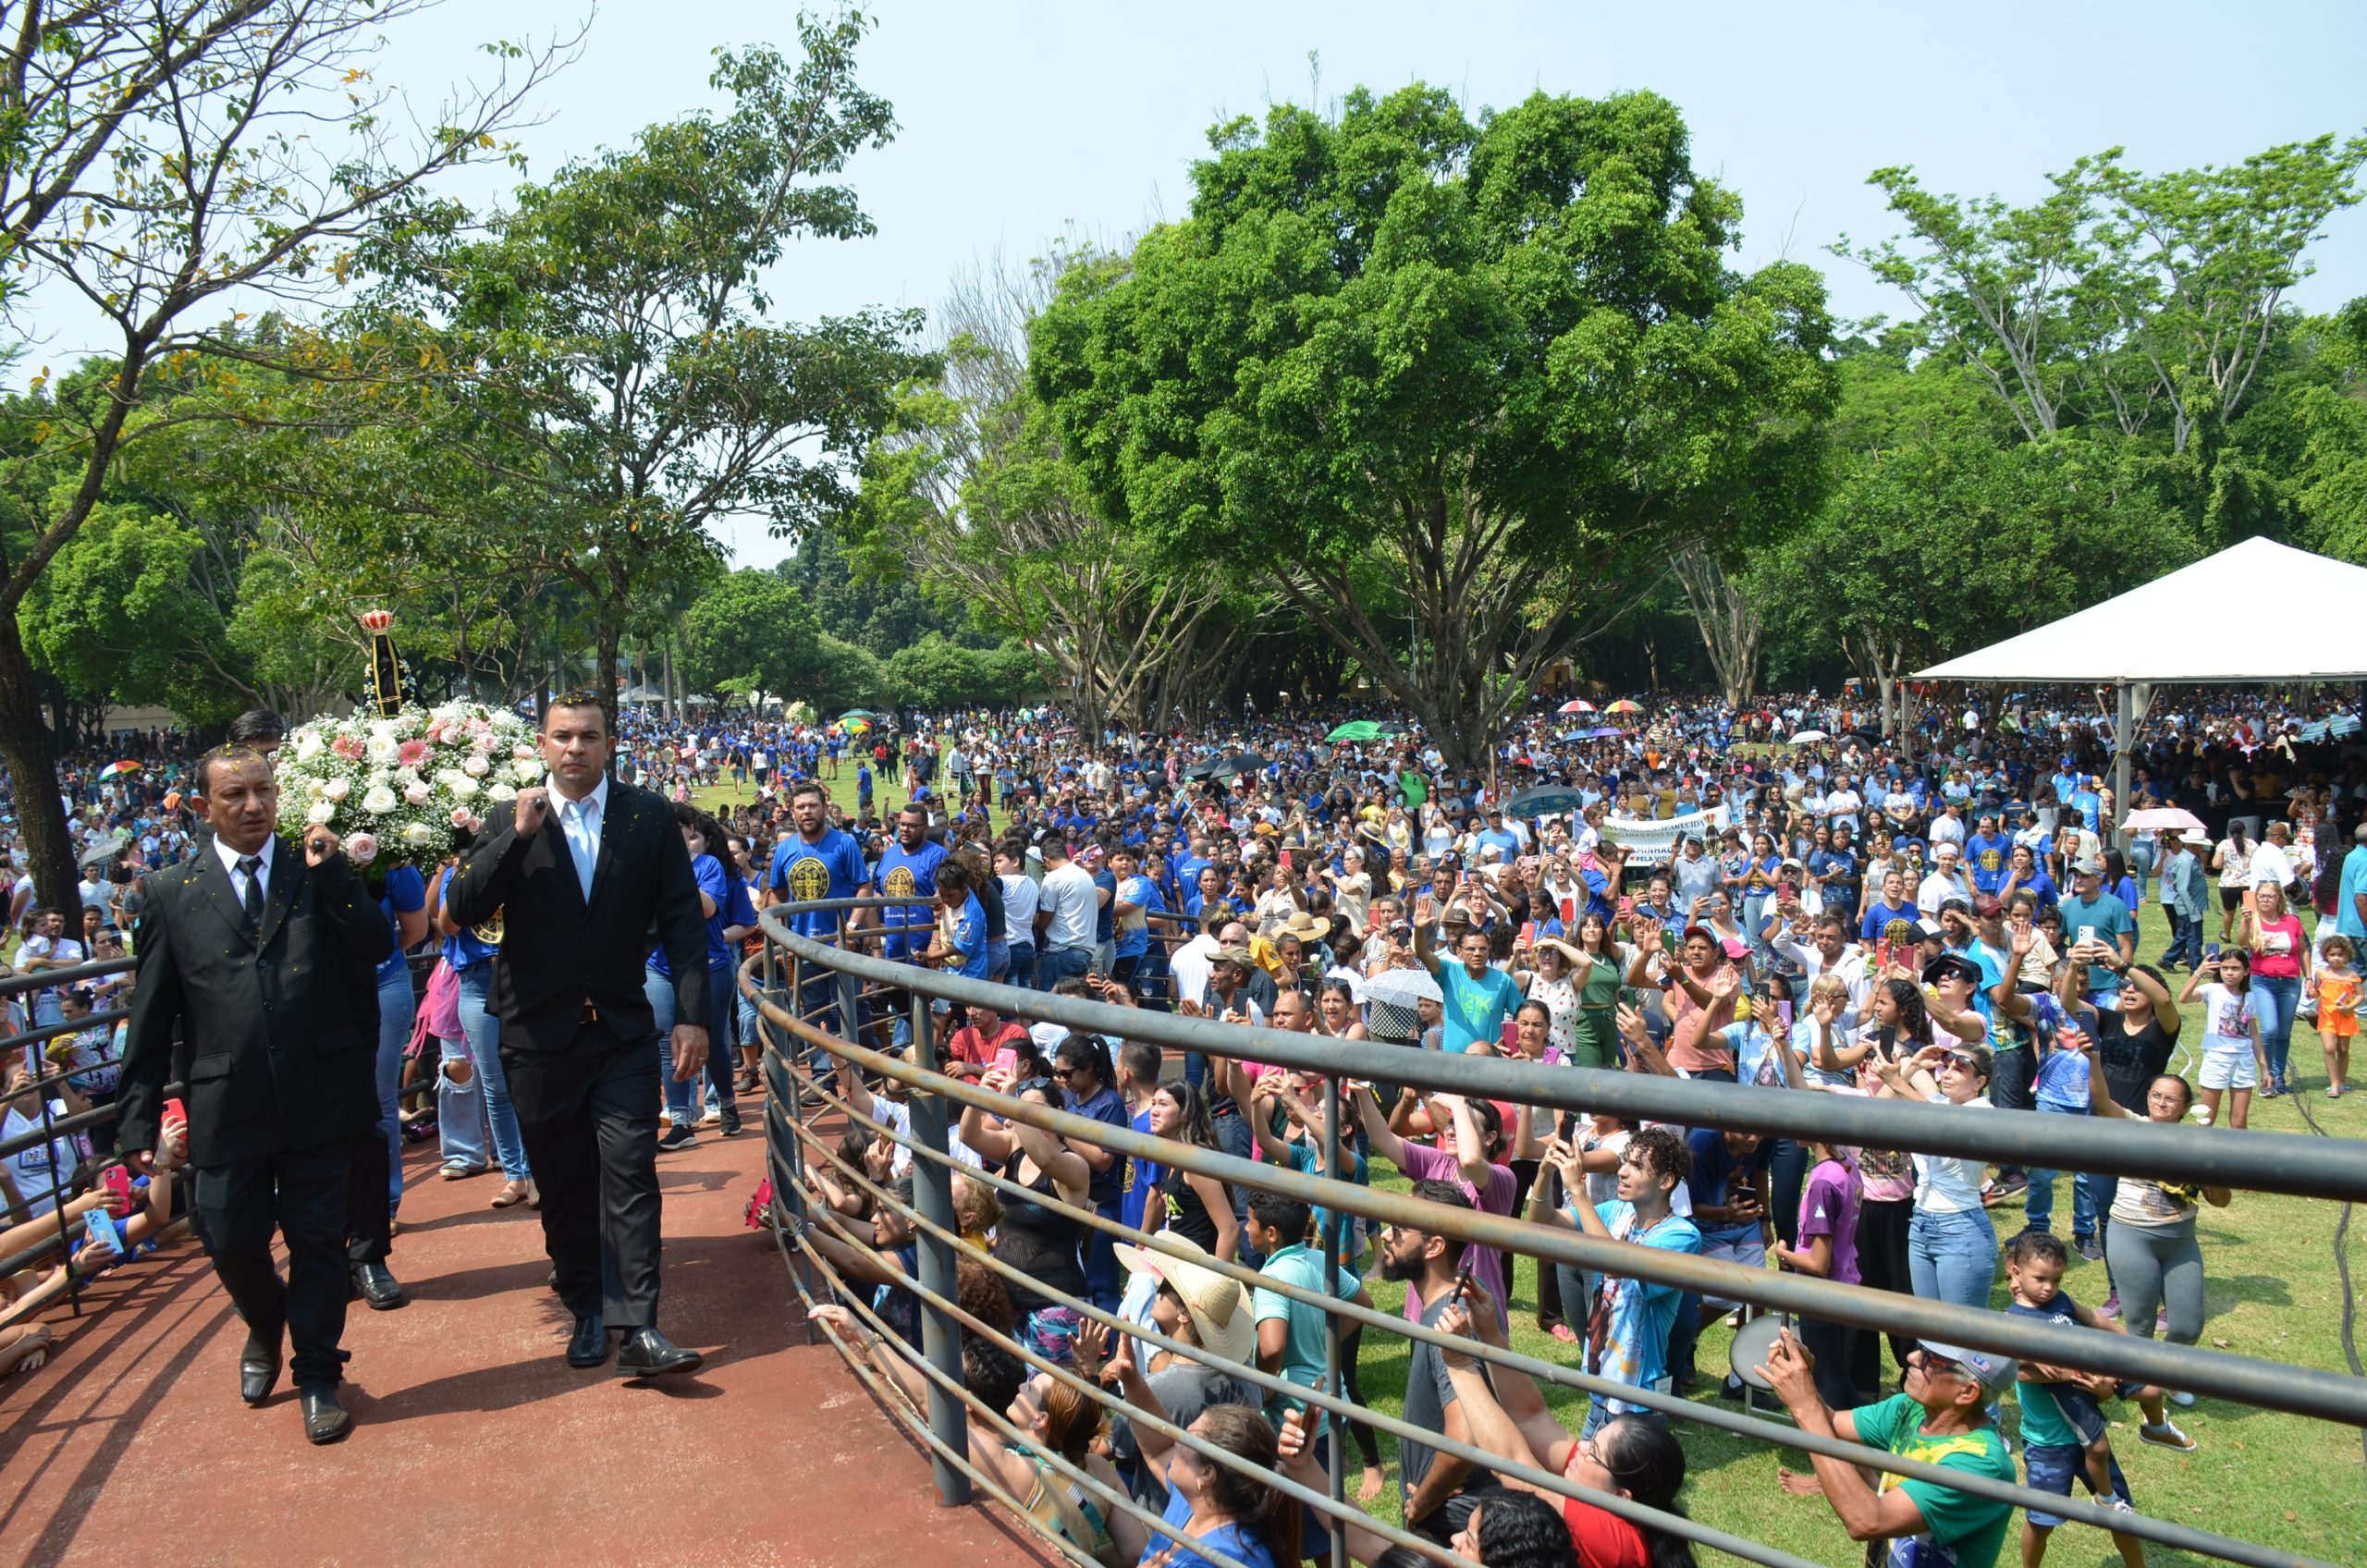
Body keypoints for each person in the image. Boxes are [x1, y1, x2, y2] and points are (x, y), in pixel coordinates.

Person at [113, 745, 394, 1444]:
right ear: (204, 808)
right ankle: (266, 1318)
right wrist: (136, 1121)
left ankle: (320, 1376)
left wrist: (338, 878)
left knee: (318, 1242)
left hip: (320, 1097)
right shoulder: (170, 893)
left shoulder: (318, 872)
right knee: (230, 1235)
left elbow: (375, 946)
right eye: (234, 795)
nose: (252, 806)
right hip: (226, 1102)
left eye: (263, 791)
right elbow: (150, 1019)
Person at [445, 693, 713, 1379]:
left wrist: (690, 1015)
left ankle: (640, 1324)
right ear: (542, 745)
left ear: (609, 744)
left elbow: (683, 921)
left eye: (588, 736)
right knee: (563, 1185)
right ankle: (587, 1307)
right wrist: (516, 837)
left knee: (631, 1172)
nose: (575, 748)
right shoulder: (512, 818)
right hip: (538, 1039)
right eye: (562, 736)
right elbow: (464, 908)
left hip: (622, 1030)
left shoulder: (646, 816)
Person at [1760, 1328, 2018, 1568]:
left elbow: (1867, 1520)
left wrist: (1805, 1404)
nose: (1912, 1356)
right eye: (1920, 1347)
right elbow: (1832, 1424)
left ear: (1967, 1392)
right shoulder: (1912, 1408)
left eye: (1930, 1358)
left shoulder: (1981, 1464)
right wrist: (1805, 1380)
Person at [2002, 1230, 2185, 1568]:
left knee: (2121, 1512)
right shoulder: (2012, 1323)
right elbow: (2011, 1370)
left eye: (2056, 1280)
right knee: (2040, 1524)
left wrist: (2124, 1355)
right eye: (2041, 1279)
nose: (2049, 1287)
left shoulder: (2062, 1303)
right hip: (2047, 1444)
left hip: (2087, 1424)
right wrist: (2034, 1360)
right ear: (2015, 1271)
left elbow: (2093, 1324)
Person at [1535, 1125, 1702, 1438]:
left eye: (1636, 1166)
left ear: (1666, 1181)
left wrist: (1579, 1192)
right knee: (1588, 1482)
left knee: (1617, 1485)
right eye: (1624, 1161)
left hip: (1639, 1402)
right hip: (1602, 1388)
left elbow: (1614, 1264)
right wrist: (1545, 1172)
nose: (1622, 1172)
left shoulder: (1682, 1235)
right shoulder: (1616, 1211)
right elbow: (1543, 1221)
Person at [2076, 1044, 2229, 1355]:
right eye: (2156, 1095)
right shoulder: (2134, 1126)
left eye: (2171, 1098)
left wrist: (2208, 1162)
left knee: (2188, 1325)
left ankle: (2172, 1375)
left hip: (2181, 1243)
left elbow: (2222, 1201)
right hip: (2131, 1236)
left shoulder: (2198, 1143)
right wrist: (2093, 1061)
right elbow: (2103, 1102)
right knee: (2140, 1323)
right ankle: (2144, 1385)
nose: (2161, 1102)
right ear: (2147, 1097)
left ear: (2185, 1108)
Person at [1372, 1178, 1494, 1546]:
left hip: (1444, 1522)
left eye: (1398, 1230)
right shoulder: (1446, 1311)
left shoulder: (1448, 1321)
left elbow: (1465, 1436)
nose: (1384, 1238)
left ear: (1434, 1246)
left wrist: (1421, 1501)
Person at [2235, 879, 2311, 1097]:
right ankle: (2265, 1075)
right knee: (2269, 1029)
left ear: (2279, 900)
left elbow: (2303, 950)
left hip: (2290, 981)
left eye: (2271, 896)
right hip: (2263, 980)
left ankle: (2278, 1075)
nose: (2265, 900)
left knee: (2284, 1032)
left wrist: (2309, 977)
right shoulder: (2253, 920)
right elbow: (2241, 942)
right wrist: (2245, 921)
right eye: (2262, 896)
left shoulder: (2292, 921)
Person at [2179, 949, 2264, 1130]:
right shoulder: (2212, 989)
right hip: (2217, 1057)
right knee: (2206, 1118)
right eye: (2224, 968)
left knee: (2239, 1121)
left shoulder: (2250, 997)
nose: (2229, 973)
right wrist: (2198, 973)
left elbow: (2254, 1034)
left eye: (2235, 968)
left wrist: (2264, 1067)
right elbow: (2184, 998)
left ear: (2246, 971)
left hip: (2244, 1060)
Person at [2315, 931, 2359, 1098]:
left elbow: (2361, 995)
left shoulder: (2351, 976)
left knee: (2342, 1049)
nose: (2336, 958)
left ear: (2347, 956)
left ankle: (2341, 1081)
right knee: (2329, 1048)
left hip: (2345, 1017)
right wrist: (2312, 992)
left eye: (2340, 955)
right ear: (2326, 955)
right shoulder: (2322, 974)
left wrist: (2350, 1006)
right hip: (2327, 1016)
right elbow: (2317, 993)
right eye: (2332, 955)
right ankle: (2333, 1083)